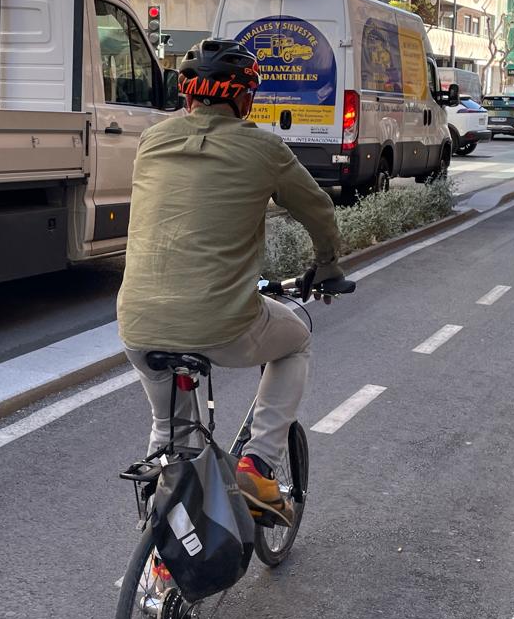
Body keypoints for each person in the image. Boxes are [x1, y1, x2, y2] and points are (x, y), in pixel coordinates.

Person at [117, 39, 344, 525]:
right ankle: (258, 465)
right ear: (245, 100)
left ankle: (160, 539)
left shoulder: (152, 140)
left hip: (138, 322)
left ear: (186, 94)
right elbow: (319, 211)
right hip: (220, 323)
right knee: (296, 343)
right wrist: (326, 264)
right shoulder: (264, 148)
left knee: (171, 430)